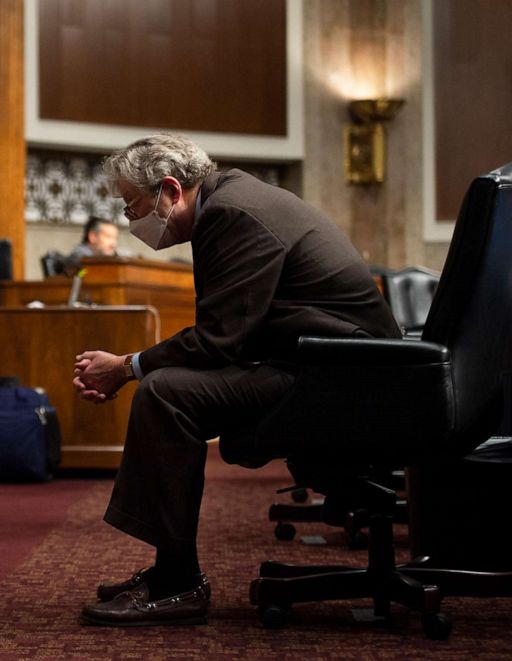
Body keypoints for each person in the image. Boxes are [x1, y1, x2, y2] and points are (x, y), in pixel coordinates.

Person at [72, 134, 400, 627]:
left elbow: (218, 339)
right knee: (171, 386)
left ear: (170, 190)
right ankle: (172, 572)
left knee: (167, 393)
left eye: (131, 205)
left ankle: (176, 582)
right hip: (320, 362)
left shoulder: (231, 213)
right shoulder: (231, 200)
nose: (128, 219)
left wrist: (124, 367)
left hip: (343, 377)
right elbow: (234, 334)